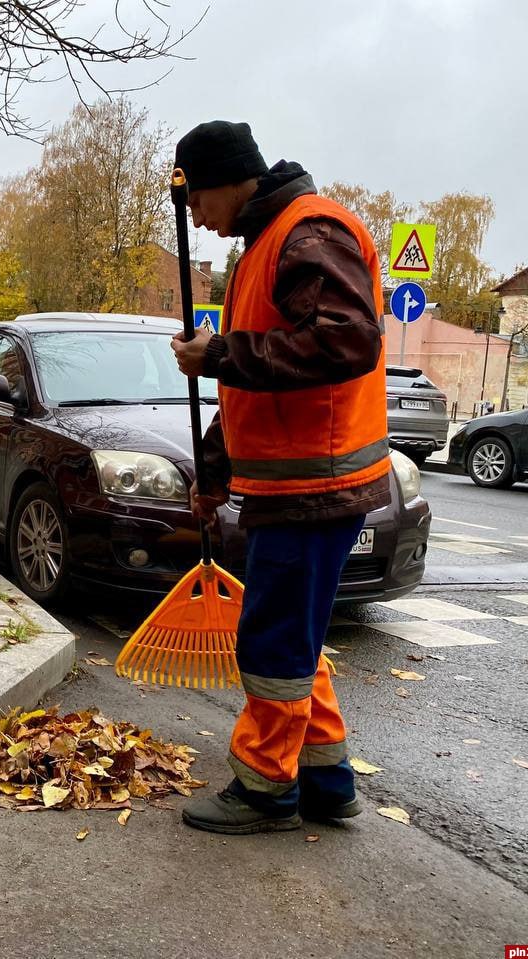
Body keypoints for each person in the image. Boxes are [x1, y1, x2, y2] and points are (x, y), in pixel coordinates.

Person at [168, 121, 389, 835]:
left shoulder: (307, 233)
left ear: (232, 180)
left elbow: (348, 340)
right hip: (295, 488)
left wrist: (222, 352)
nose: (196, 215)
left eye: (199, 197)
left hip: (316, 489)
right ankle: (325, 777)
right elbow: (245, 390)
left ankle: (266, 787)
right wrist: (212, 474)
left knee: (271, 643)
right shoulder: (265, 249)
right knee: (295, 638)